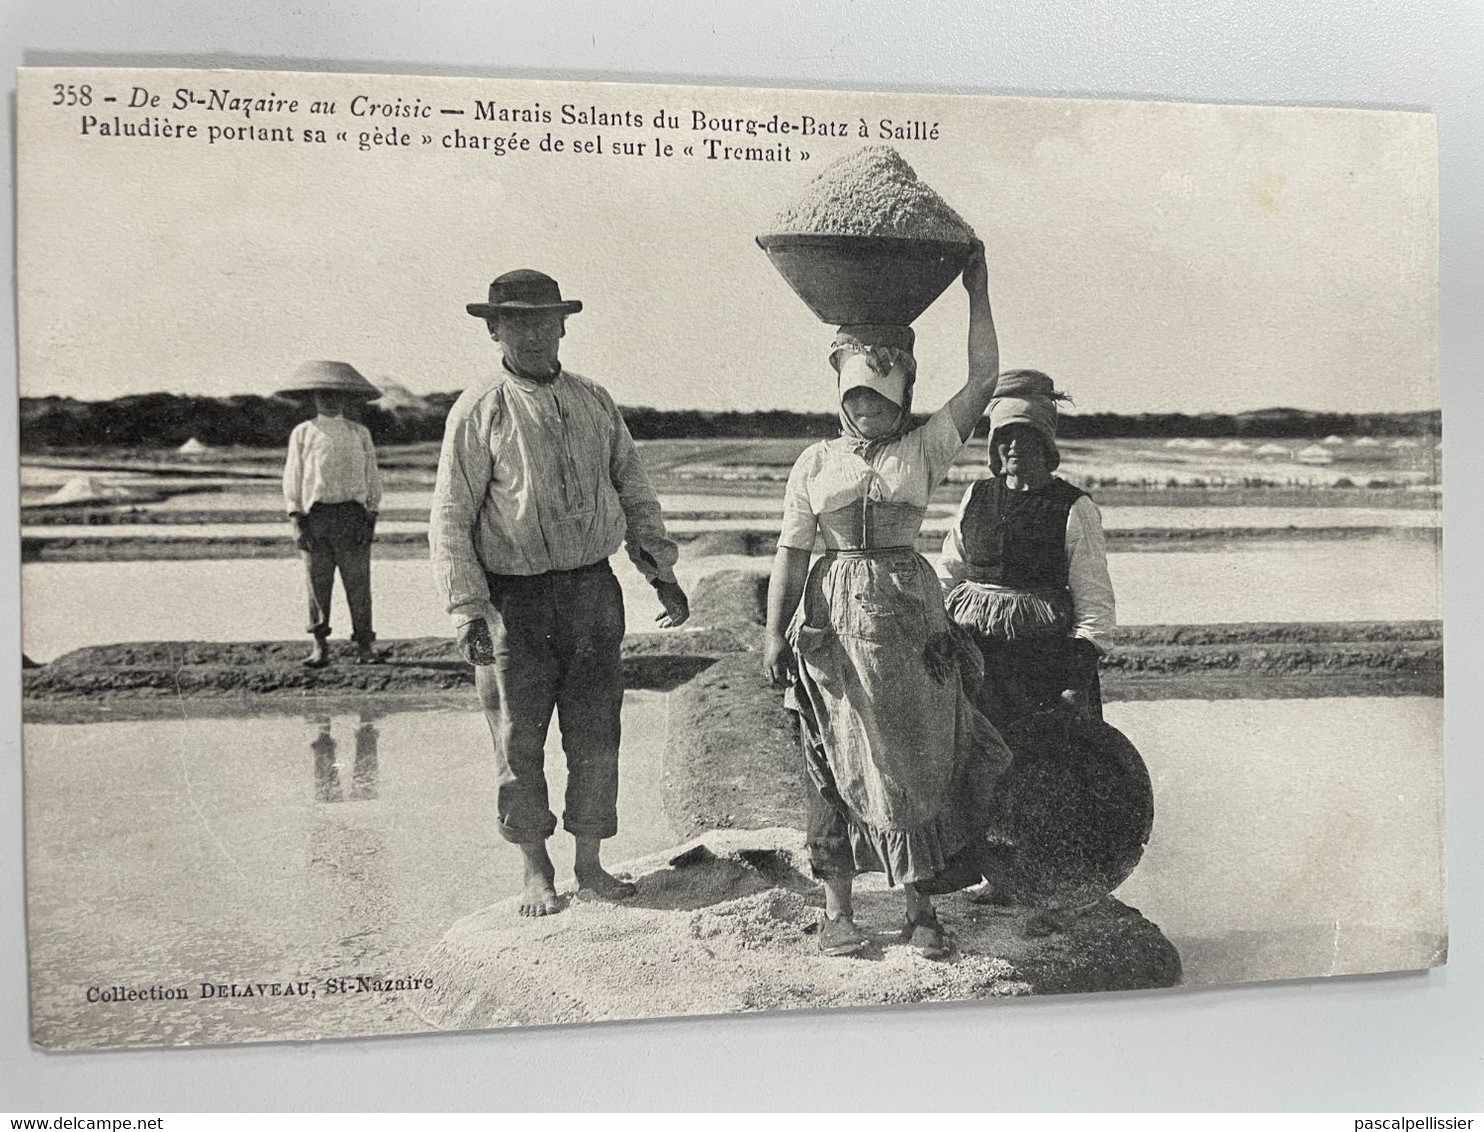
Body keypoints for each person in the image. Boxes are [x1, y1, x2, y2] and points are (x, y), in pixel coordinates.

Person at [763, 243, 1013, 960]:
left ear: (902, 394)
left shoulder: (927, 447)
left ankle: (921, 911)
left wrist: (978, 292)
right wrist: (774, 632)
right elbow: (791, 552)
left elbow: (984, 377)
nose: (865, 410)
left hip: (908, 619)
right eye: (855, 398)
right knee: (834, 752)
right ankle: (838, 911)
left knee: (915, 757)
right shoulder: (815, 462)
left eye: (877, 397)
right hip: (833, 623)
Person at [430, 269, 690, 918]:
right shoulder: (480, 407)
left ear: (564, 324)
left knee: (596, 731)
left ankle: (592, 864)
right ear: (494, 330)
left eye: (544, 320)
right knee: (518, 739)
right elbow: (449, 515)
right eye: (517, 322)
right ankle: (535, 870)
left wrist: (660, 569)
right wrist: (465, 607)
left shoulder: (595, 400)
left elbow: (633, 488)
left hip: (592, 591)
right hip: (512, 600)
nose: (533, 333)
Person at [938, 370, 1116, 733]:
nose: (1015, 445)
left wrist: (1075, 681)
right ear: (993, 443)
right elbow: (948, 571)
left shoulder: (1073, 507)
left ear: (1046, 443)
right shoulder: (976, 496)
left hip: (1042, 671)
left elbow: (1094, 603)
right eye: (1006, 435)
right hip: (977, 663)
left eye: (1027, 434)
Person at [281, 360, 384, 668]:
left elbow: (372, 476)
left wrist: (371, 516)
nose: (329, 399)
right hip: (316, 516)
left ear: (346, 398)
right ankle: (319, 646)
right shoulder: (303, 433)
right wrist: (297, 519)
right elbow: (293, 476)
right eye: (322, 394)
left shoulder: (359, 432)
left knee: (358, 583)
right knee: (317, 582)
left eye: (335, 394)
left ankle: (365, 646)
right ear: (313, 397)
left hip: (352, 515)